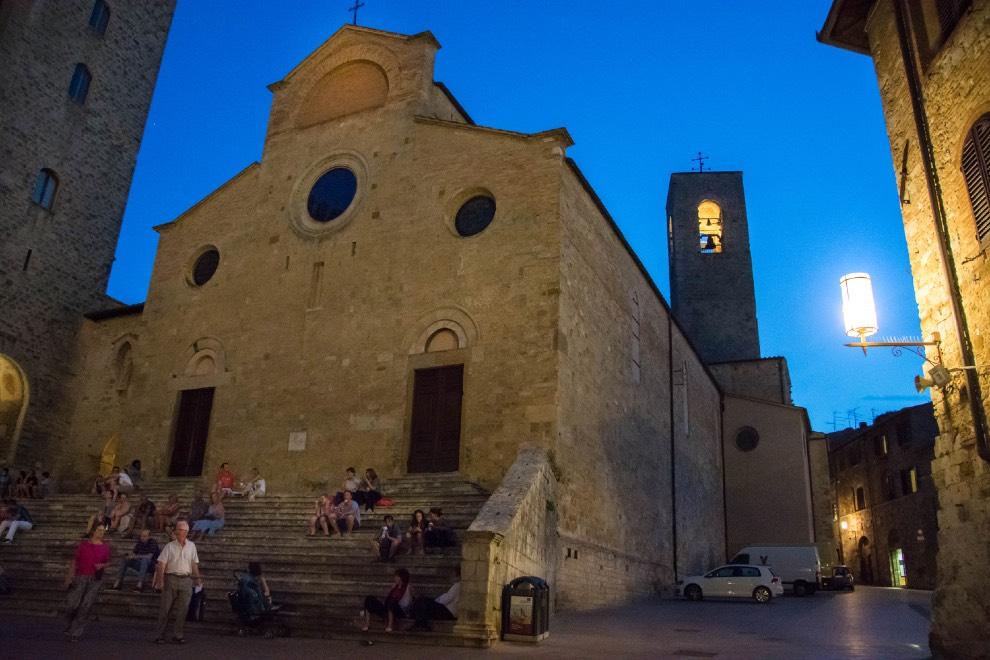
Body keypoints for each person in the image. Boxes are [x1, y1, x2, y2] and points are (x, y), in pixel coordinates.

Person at [152, 519, 204, 644]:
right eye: (181, 530)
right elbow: (161, 564)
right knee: (165, 609)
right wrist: (160, 581)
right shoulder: (169, 546)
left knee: (183, 610)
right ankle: (160, 635)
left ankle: (178, 635)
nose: (183, 533)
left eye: (185, 531)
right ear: (176, 531)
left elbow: (194, 564)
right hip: (171, 578)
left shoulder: (192, 546)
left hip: (186, 579)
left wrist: (198, 579)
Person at [63, 526, 111, 642]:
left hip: (95, 579)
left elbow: (108, 562)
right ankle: (70, 624)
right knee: (72, 604)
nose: (101, 533)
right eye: (99, 530)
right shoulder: (84, 545)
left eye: (103, 531)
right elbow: (74, 560)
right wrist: (69, 577)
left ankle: (76, 632)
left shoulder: (105, 547)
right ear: (93, 531)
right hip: (81, 576)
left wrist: (102, 565)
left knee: (86, 605)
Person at [360, 568, 413, 633]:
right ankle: (367, 623)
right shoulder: (394, 587)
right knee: (369, 599)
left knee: (392, 602)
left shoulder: (407, 588)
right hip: (388, 608)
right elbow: (387, 600)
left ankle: (390, 625)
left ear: (400, 578)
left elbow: (407, 603)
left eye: (396, 577)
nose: (395, 578)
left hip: (400, 610)